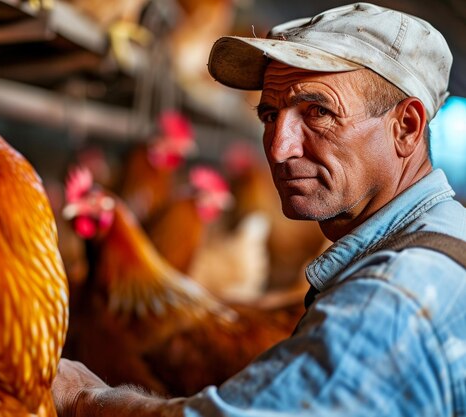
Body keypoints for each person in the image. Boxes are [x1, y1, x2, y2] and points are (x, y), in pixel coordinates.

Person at [52, 3, 466, 416]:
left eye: (318, 112)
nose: (279, 148)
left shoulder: (389, 302)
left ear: (406, 128)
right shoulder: (446, 233)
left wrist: (83, 399)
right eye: (270, 114)